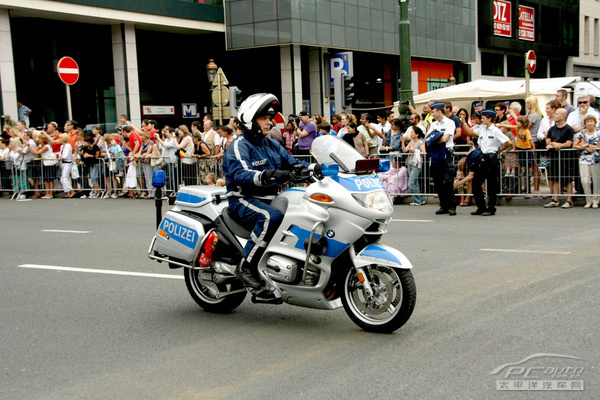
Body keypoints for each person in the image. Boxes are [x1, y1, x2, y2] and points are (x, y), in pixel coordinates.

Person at [223, 93, 310, 289]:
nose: (269, 123)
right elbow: (240, 174)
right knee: (269, 217)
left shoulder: (271, 144)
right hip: (243, 199)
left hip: (271, 198)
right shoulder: (239, 145)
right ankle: (246, 266)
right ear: (249, 120)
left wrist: (317, 169)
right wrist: (268, 175)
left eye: (269, 119)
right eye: (263, 118)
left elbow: (294, 164)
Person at [464, 109, 514, 216]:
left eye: (483, 118)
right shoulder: (482, 129)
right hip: (482, 158)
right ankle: (481, 207)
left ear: (489, 119)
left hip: (491, 159)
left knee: (491, 185)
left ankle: (491, 208)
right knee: (476, 184)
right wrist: (463, 123)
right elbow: (470, 133)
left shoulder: (495, 130)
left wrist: (499, 150)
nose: (481, 120)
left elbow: (508, 142)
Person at [425, 102, 457, 216]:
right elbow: (427, 138)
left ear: (439, 111)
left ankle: (452, 206)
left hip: (446, 154)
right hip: (435, 155)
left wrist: (434, 140)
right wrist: (433, 139)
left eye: (433, 112)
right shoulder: (433, 124)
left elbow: (445, 138)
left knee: (448, 181)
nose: (432, 114)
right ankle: (443, 205)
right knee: (438, 182)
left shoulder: (450, 123)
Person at [543, 108, 575, 209]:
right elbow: (548, 140)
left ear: (563, 116)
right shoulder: (552, 129)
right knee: (555, 178)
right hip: (554, 156)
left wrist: (559, 146)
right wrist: (553, 144)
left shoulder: (569, 129)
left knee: (568, 179)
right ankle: (555, 199)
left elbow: (569, 143)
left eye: (557, 114)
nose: (554, 115)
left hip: (565, 157)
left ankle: (569, 200)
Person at [572, 115, 600, 208]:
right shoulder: (581, 133)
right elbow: (574, 145)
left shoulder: (598, 132)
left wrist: (592, 147)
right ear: (585, 123)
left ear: (595, 122)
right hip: (583, 159)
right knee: (585, 180)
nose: (590, 123)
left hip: (596, 159)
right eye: (588, 122)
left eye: (591, 121)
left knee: (596, 180)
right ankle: (588, 200)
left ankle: (596, 200)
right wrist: (582, 147)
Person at [402, 126, 426, 206]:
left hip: (416, 164)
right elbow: (405, 150)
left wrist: (415, 151)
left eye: (412, 132)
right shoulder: (411, 142)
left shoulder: (420, 142)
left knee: (411, 183)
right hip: (410, 163)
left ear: (417, 134)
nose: (411, 134)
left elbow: (424, 152)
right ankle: (418, 200)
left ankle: (419, 199)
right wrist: (402, 142)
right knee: (415, 183)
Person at [57, 133, 75, 198]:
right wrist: (60, 157)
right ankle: (68, 192)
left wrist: (62, 156)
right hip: (63, 163)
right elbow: (60, 154)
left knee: (64, 178)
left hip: (68, 163)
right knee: (63, 178)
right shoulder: (62, 146)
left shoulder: (68, 145)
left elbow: (66, 155)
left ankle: (71, 191)